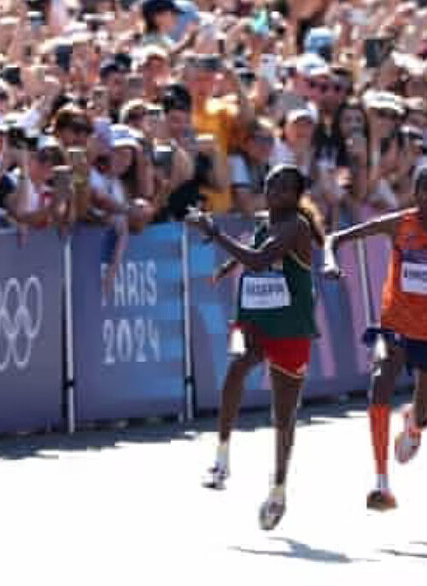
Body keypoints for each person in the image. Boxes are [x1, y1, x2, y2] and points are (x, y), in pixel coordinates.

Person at [322, 164, 427, 510]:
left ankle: (413, 425)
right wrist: (330, 262)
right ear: (415, 193)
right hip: (395, 323)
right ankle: (381, 482)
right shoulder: (399, 224)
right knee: (381, 380)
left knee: (425, 415)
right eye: (426, 188)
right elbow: (335, 238)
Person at [187, 165, 324, 531]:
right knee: (236, 367)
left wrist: (215, 233)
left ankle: (278, 489)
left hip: (290, 326)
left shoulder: (297, 226)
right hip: (255, 317)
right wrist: (229, 266)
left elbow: (261, 258)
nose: (274, 190)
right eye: (270, 184)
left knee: (284, 415)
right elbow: (254, 249)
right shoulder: (266, 221)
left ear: (296, 195)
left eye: (283, 187)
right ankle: (221, 459)